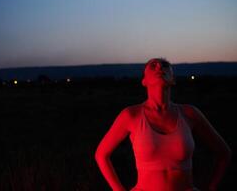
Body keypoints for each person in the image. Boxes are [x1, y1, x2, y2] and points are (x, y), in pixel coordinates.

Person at [94, 58, 232, 191]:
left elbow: (224, 153)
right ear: (144, 81)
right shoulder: (131, 115)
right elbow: (101, 154)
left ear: (173, 80)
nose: (160, 67)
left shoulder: (190, 113)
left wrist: (212, 187)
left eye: (165, 65)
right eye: (153, 65)